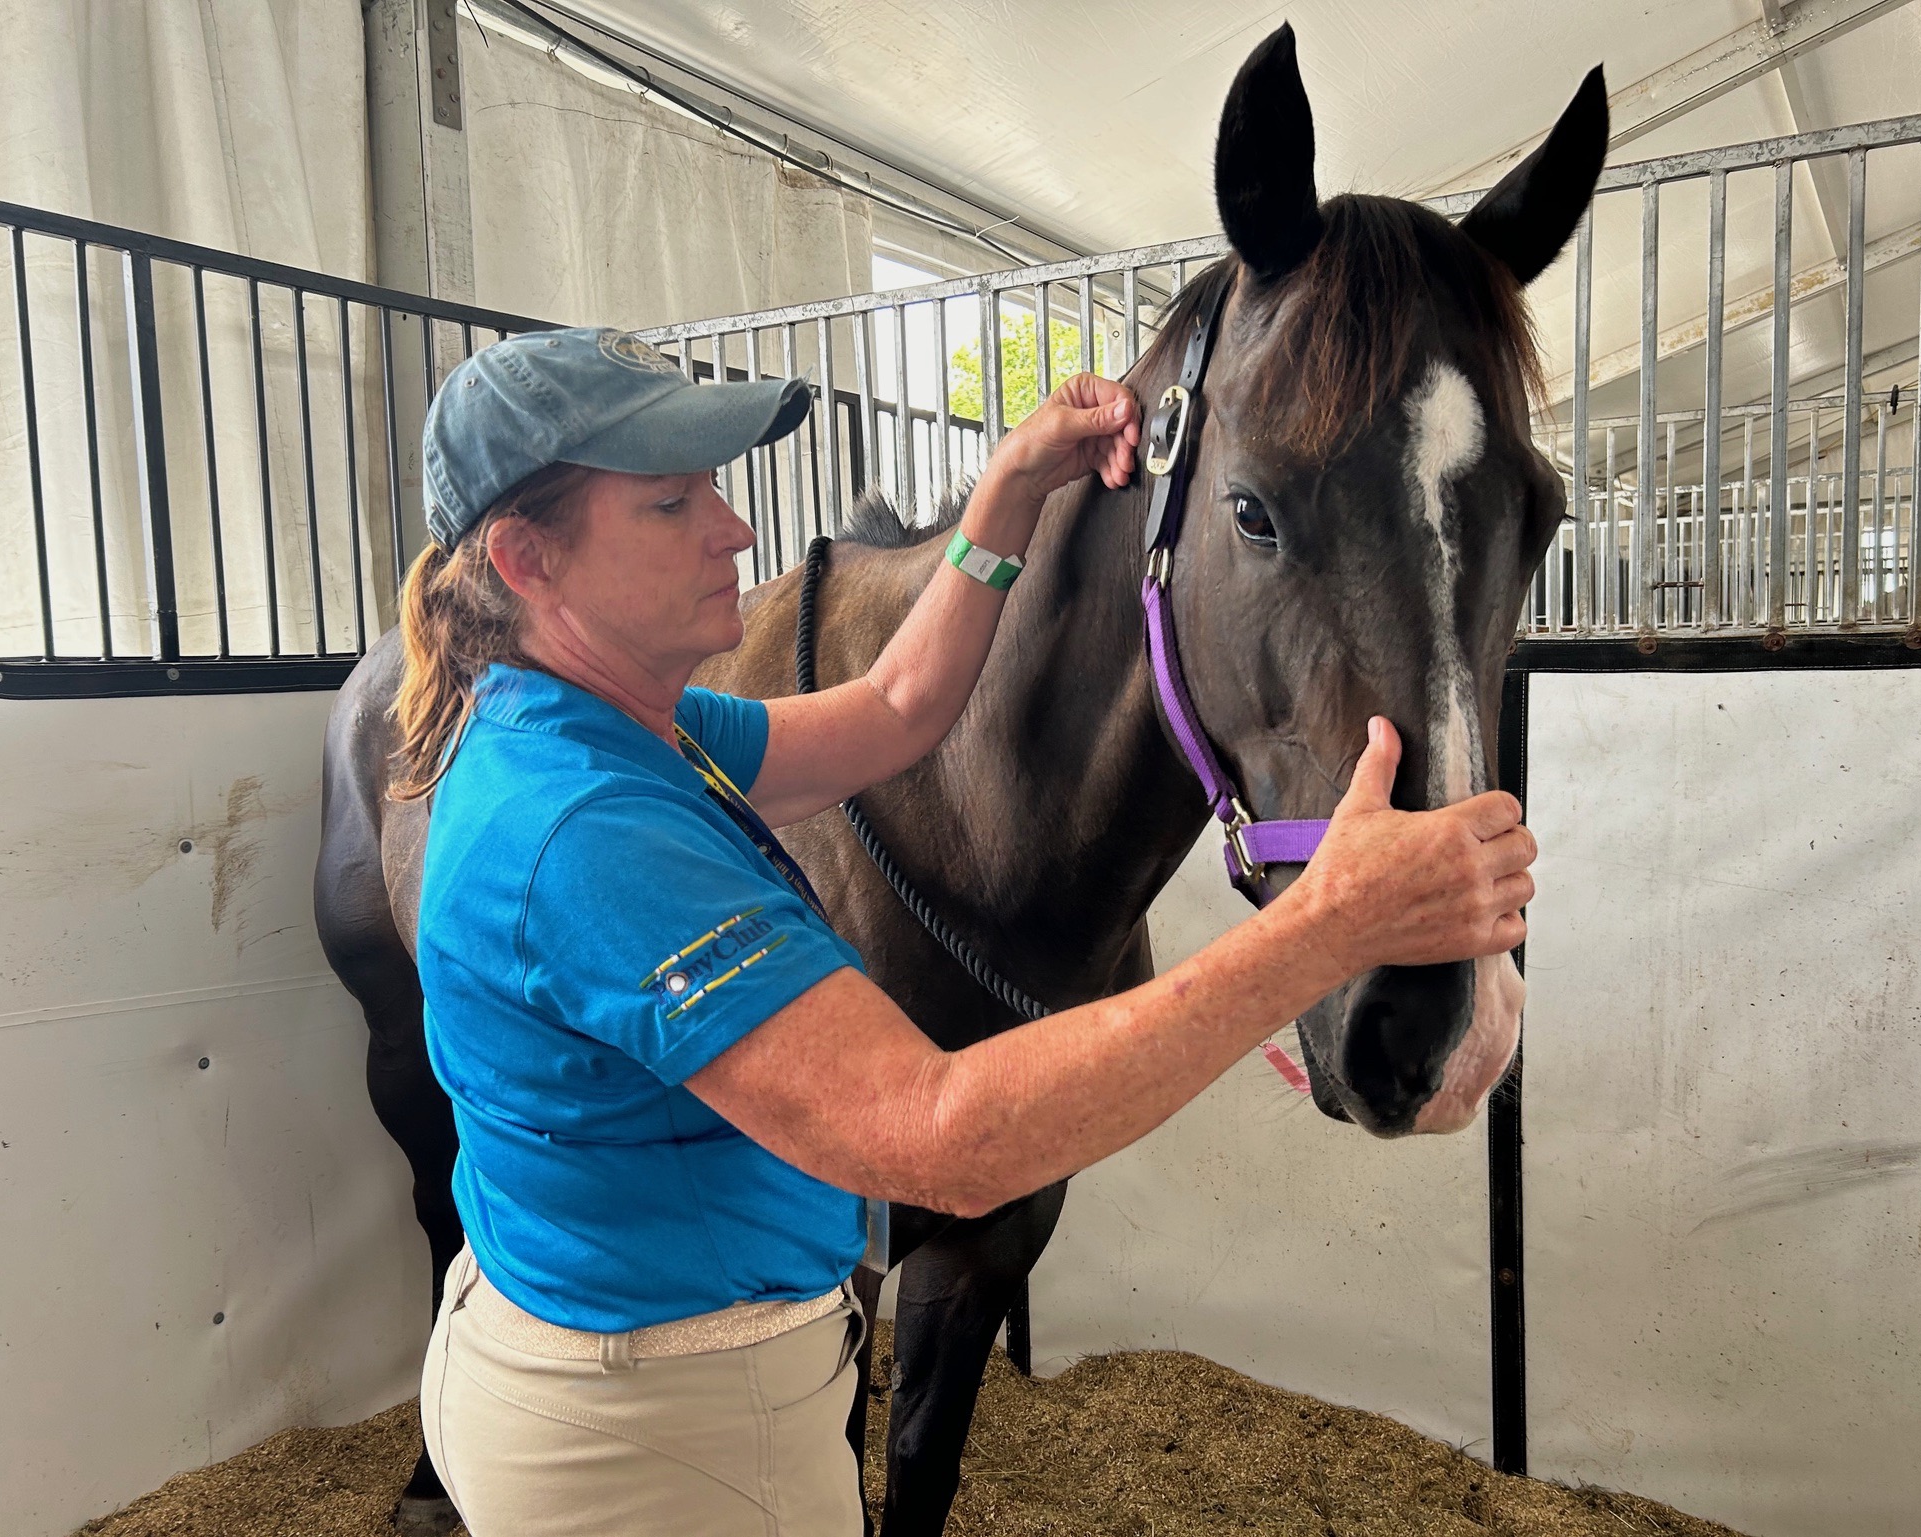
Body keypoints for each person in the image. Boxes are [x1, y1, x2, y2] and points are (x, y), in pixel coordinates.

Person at [404, 326, 1534, 1536]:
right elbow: (933, 1140)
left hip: (624, 1370)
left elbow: (896, 708)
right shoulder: (584, 830)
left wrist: (1008, 491)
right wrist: (1323, 927)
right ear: (527, 561)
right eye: (672, 502)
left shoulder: (627, 729)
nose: (733, 529)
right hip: (665, 1445)